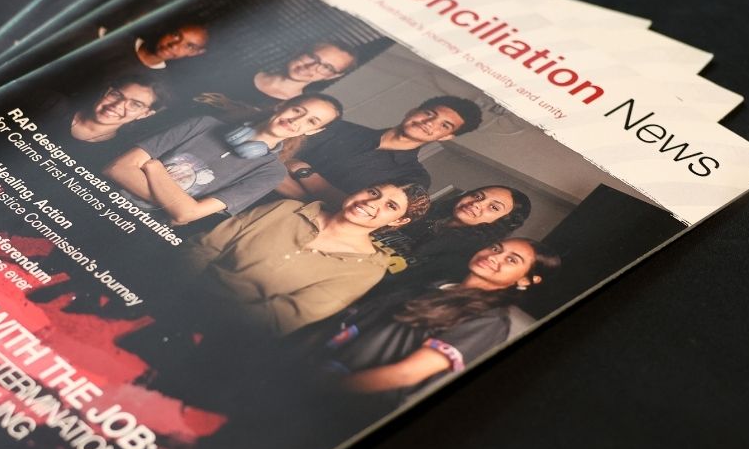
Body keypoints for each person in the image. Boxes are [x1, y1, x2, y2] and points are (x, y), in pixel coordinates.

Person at [320, 238, 561, 402]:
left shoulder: (490, 321)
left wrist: (326, 389)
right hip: (321, 365)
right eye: (496, 248)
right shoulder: (438, 286)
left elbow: (405, 374)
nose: (494, 256)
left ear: (526, 280)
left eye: (512, 260)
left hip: (345, 399)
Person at [187, 181, 430, 336]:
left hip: (220, 334)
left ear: (399, 221)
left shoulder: (367, 268)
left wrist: (199, 320)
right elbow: (202, 248)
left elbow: (283, 317)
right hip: (180, 292)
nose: (371, 202)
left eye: (390, 206)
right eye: (373, 192)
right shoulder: (285, 208)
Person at [106, 94, 341, 225]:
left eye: (311, 121)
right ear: (283, 105)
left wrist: (153, 167)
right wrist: (179, 203)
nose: (296, 120)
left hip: (143, 225)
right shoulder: (202, 124)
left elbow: (188, 215)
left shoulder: (271, 173)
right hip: (101, 194)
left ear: (314, 131)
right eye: (297, 110)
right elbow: (116, 168)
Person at [277, 95, 483, 205]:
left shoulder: (413, 178)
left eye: (444, 125)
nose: (430, 123)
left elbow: (350, 209)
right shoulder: (339, 128)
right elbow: (274, 158)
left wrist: (303, 171)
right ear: (412, 112)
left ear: (446, 136)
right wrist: (316, 199)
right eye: (429, 114)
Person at [372, 185, 532, 279]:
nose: (477, 204)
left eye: (494, 207)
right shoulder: (419, 215)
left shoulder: (470, 256)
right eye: (477, 196)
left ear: (502, 222)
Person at [192, 41, 356, 116]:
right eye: (313, 57)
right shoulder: (235, 68)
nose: (311, 67)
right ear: (299, 50)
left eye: (327, 67)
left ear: (333, 76)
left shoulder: (294, 110)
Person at [53, 79, 169, 170]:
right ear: (106, 92)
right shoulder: (54, 105)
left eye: (135, 104)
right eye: (116, 95)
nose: (117, 105)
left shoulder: (116, 153)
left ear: (145, 114)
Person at [132, 23, 210, 70]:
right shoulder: (126, 37)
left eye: (189, 46)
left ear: (194, 53)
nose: (174, 46)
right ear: (167, 30)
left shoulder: (162, 84)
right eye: (175, 35)